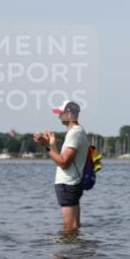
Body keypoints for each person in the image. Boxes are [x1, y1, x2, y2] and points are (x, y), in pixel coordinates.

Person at [33, 100, 89, 234]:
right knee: (74, 226)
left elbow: (64, 162)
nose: (58, 116)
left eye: (61, 113)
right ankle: (75, 253)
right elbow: (63, 159)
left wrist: (46, 147)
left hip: (68, 184)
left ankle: (65, 254)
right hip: (72, 184)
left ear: (69, 114)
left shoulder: (74, 133)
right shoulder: (77, 132)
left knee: (69, 228)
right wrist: (50, 145)